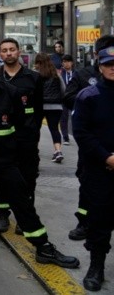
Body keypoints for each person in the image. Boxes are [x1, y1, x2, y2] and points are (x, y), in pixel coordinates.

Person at [0, 50, 79, 270]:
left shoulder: (12, 93)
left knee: (24, 205)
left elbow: (21, 125)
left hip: (6, 163)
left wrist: (18, 156)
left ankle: (43, 247)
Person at [63, 35, 114, 242]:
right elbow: (68, 98)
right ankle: (84, 222)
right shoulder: (84, 77)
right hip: (93, 152)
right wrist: (91, 104)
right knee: (89, 188)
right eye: (108, 62)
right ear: (97, 58)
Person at [72, 45, 114, 291]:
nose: (113, 69)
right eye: (109, 65)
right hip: (99, 170)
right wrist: (106, 158)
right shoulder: (88, 96)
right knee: (99, 221)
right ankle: (96, 266)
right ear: (100, 67)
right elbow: (81, 133)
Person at [0, 38, 44, 234]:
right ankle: (2, 215)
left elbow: (39, 110)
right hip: (3, 136)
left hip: (26, 137)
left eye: (12, 50)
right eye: (4, 50)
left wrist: (34, 133)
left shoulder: (33, 78)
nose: (8, 53)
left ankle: (24, 218)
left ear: (18, 51)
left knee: (27, 177)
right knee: (2, 177)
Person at [34, 52, 65, 163]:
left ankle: (34, 150)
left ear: (38, 63)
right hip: (56, 106)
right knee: (54, 129)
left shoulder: (35, 74)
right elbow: (63, 89)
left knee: (35, 128)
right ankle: (58, 151)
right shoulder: (56, 74)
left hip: (39, 106)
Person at [59, 54, 75, 146]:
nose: (65, 63)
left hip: (73, 98)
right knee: (63, 118)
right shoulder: (60, 73)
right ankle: (65, 137)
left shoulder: (76, 73)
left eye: (67, 61)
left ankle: (76, 135)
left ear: (71, 62)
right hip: (64, 98)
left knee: (74, 117)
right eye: (64, 62)